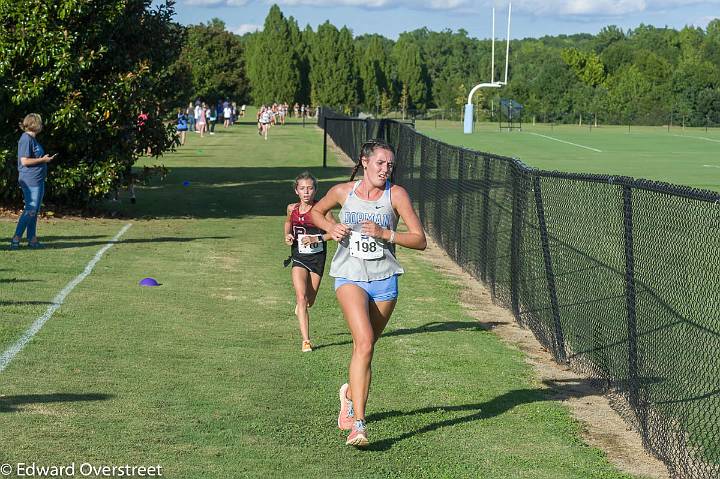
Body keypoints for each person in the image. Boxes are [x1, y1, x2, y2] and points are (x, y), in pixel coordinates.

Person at [310, 139, 427, 447]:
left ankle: (349, 393)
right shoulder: (343, 192)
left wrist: (386, 233)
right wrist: (330, 228)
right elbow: (315, 213)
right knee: (363, 343)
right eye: (380, 163)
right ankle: (358, 424)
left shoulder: (396, 195)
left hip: (385, 280)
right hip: (349, 276)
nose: (385, 169)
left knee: (367, 346)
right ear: (365, 162)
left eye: (390, 165)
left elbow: (420, 239)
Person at [283, 172, 334, 352]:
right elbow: (288, 223)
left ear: (315, 190)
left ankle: (302, 307)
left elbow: (335, 233)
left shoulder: (323, 211)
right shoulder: (292, 208)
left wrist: (316, 238)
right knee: (301, 296)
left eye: (310, 188)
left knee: (309, 301)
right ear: (296, 191)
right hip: (299, 256)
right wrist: (287, 235)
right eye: (302, 188)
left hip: (317, 258)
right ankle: (306, 341)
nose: (306, 192)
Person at [10, 114, 57, 249]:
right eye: (40, 123)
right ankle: (16, 239)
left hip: (38, 179)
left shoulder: (32, 139)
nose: (42, 125)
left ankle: (32, 239)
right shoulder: (26, 139)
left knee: (34, 211)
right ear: (34, 124)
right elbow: (24, 161)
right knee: (30, 210)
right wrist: (43, 160)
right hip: (30, 180)